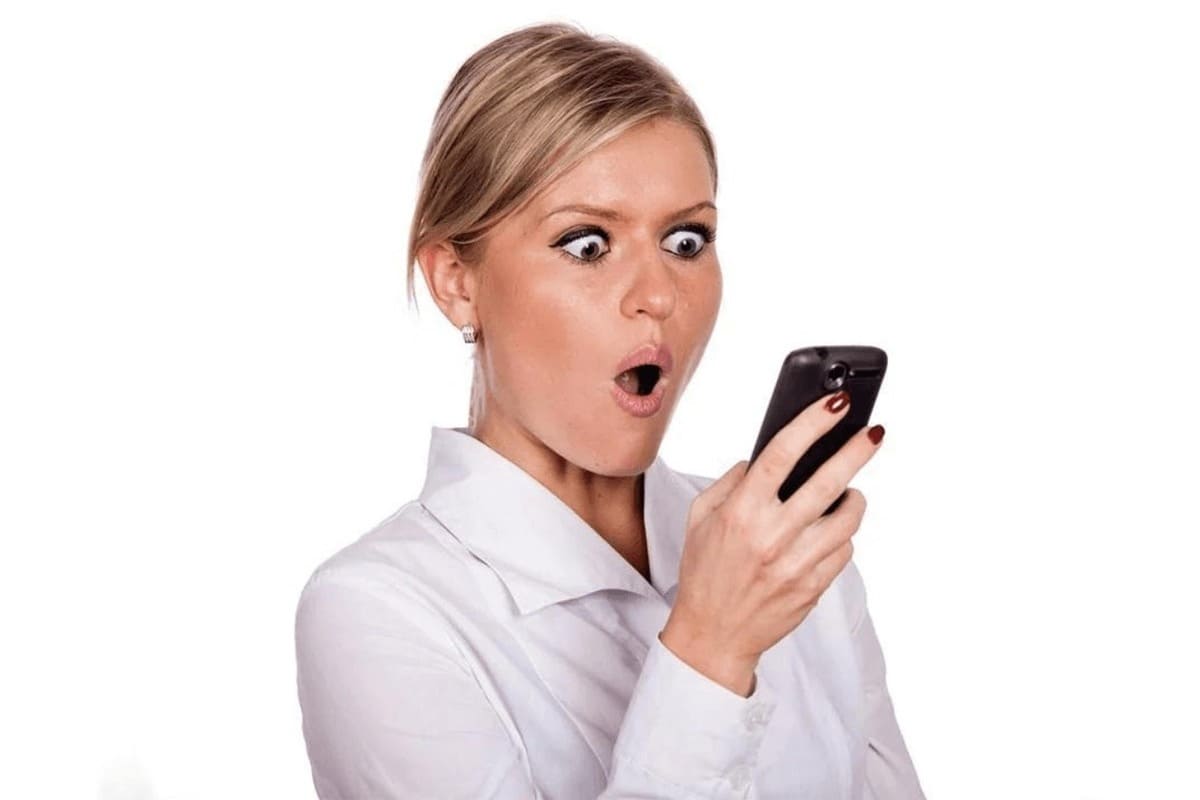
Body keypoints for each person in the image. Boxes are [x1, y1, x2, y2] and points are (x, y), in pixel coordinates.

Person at [294, 20, 925, 800]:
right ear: (457, 281)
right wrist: (710, 647)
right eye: (588, 244)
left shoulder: (782, 556)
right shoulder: (378, 611)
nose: (658, 294)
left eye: (686, 240)